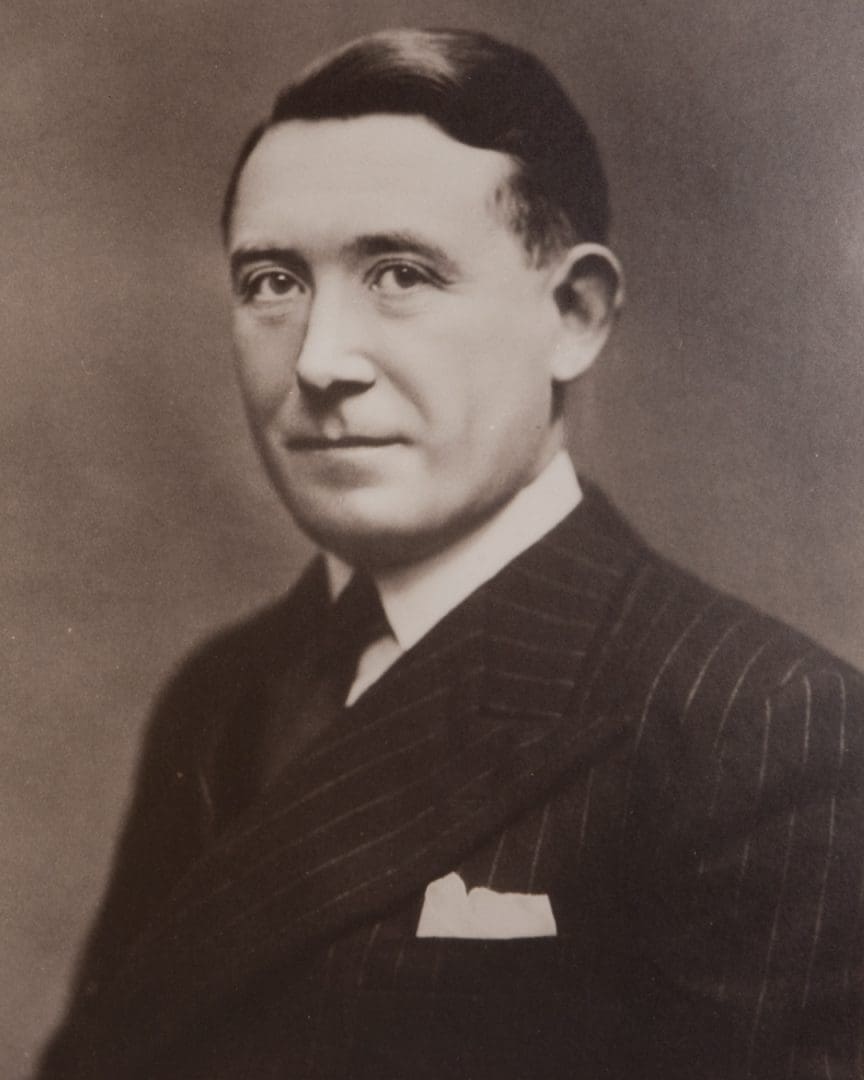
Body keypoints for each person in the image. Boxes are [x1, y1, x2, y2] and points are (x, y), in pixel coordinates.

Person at [39, 28, 863, 1080]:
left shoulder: (760, 728)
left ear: (574, 315)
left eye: (400, 274)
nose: (321, 361)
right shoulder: (222, 692)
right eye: (273, 282)